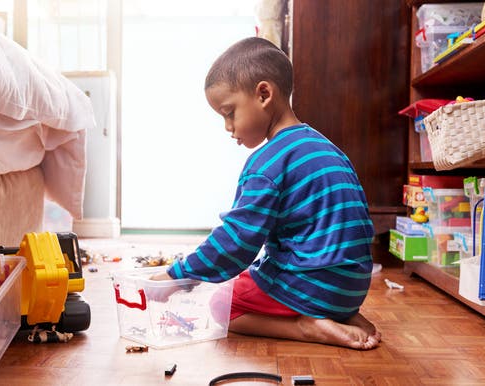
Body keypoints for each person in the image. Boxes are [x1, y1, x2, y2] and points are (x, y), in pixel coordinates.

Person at [150, 36, 380, 350]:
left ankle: (306, 326)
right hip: (352, 286)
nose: (228, 127)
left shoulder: (266, 163)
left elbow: (237, 242)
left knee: (223, 304)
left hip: (312, 286)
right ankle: (340, 314)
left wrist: (178, 277)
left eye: (229, 113)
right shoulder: (328, 148)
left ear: (263, 94)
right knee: (259, 272)